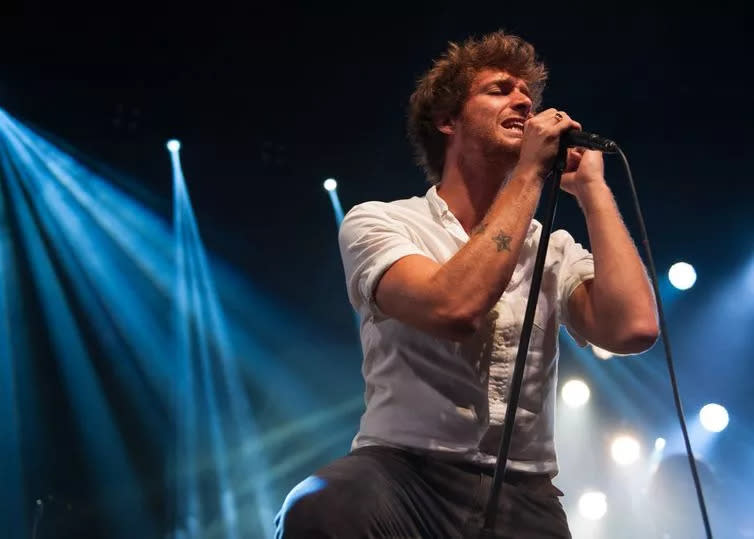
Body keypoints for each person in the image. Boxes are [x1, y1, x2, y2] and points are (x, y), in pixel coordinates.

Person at [275, 30, 659, 538]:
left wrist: (591, 190)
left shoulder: (553, 248)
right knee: (316, 508)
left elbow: (633, 328)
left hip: (524, 491)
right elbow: (453, 308)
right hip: (402, 475)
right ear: (447, 120)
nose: (524, 100)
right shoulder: (382, 223)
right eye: (500, 89)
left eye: (528, 93)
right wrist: (528, 174)